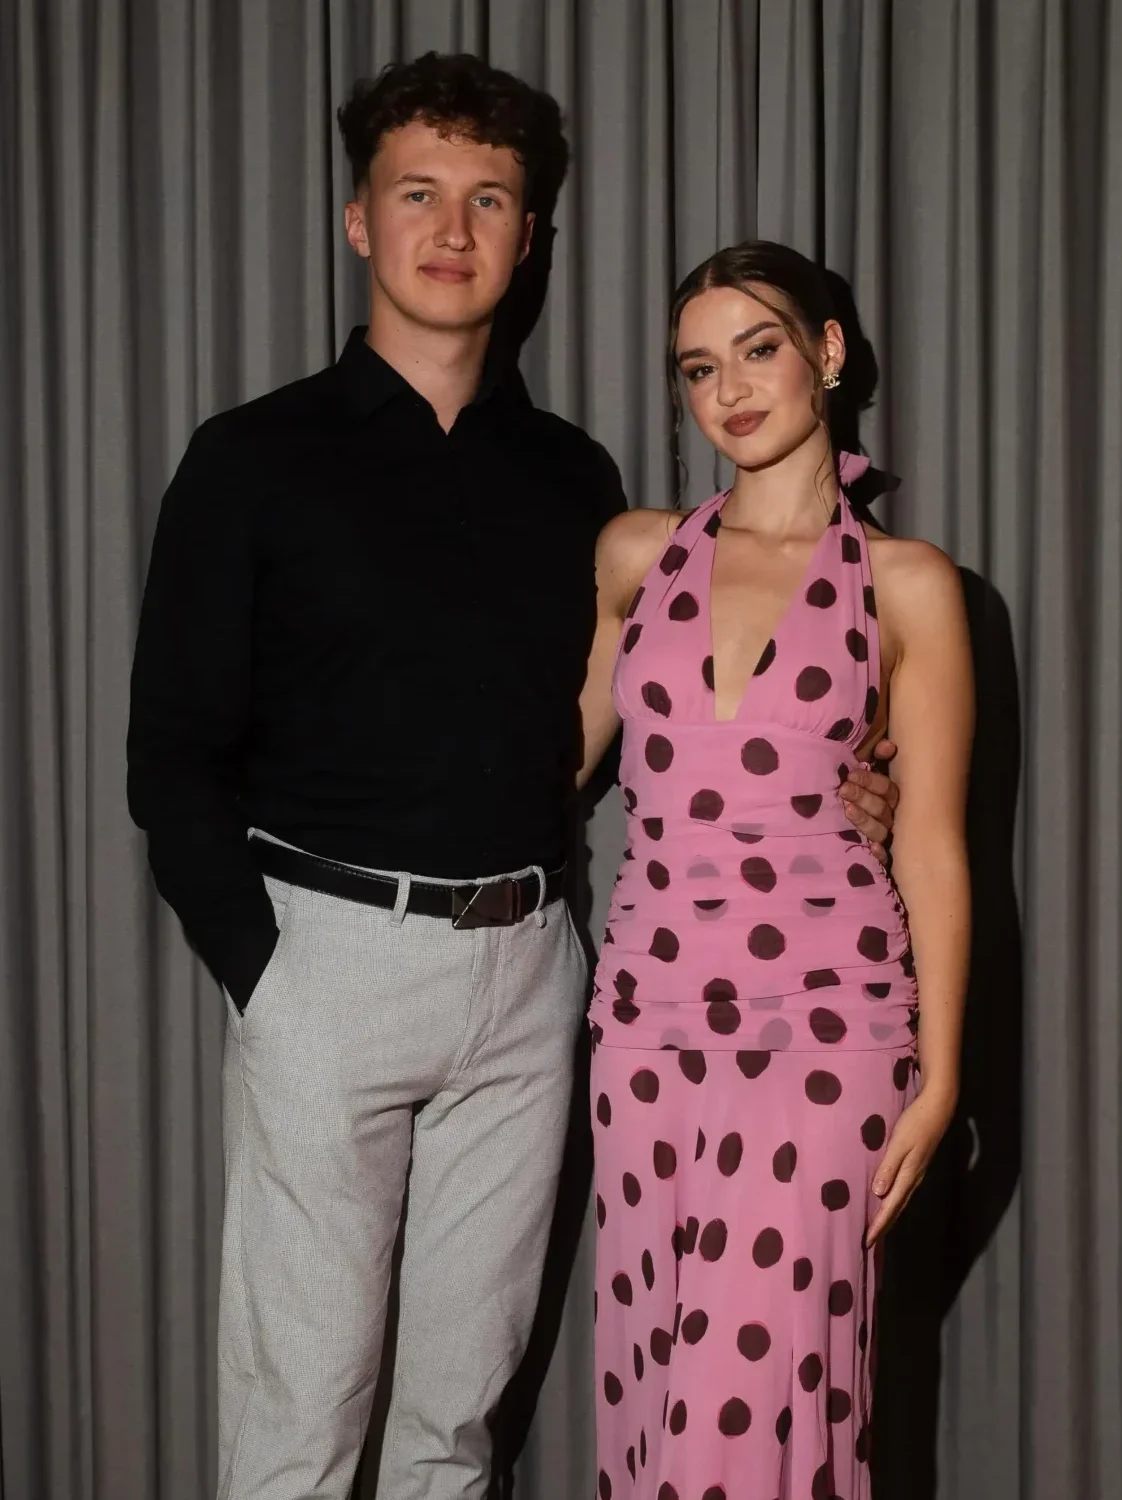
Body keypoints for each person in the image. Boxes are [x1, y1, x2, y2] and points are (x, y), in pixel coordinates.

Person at [127, 49, 900, 1500]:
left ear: (530, 233)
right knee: (300, 1417)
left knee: (455, 1426)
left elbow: (658, 716)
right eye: (417, 192)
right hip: (331, 964)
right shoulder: (249, 460)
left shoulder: (573, 479)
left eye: (489, 199)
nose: (453, 227)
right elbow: (169, 750)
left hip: (535, 973)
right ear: (359, 219)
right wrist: (267, 975)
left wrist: (858, 780)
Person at [577, 240, 973, 1500]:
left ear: (828, 354)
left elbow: (934, 844)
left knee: (752, 1403)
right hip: (644, 1022)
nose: (731, 390)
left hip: (826, 1026)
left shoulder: (907, 583)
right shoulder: (636, 555)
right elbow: (546, 761)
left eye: (759, 350)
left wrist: (942, 1078)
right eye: (700, 368)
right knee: (653, 1387)